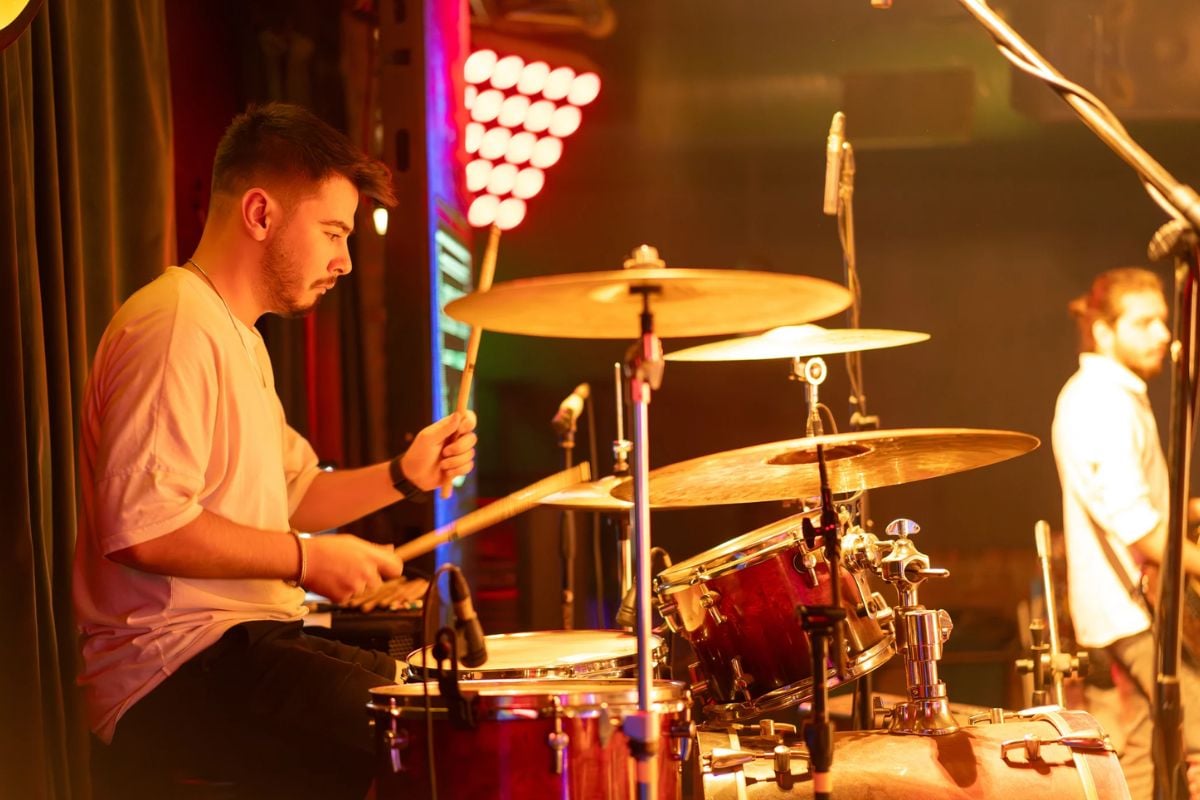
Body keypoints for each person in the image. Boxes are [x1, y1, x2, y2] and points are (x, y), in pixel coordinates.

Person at [73, 102, 477, 799]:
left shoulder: (239, 336)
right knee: (430, 734)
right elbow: (143, 527)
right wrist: (305, 558)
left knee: (432, 702)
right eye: (331, 233)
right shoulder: (177, 325)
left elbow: (295, 494)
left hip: (235, 649)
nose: (344, 262)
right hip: (170, 674)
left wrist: (406, 476)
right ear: (260, 214)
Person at [1052, 266, 1200, 799]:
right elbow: (1138, 528)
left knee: (1142, 749)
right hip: (1130, 612)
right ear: (1104, 331)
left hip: (1131, 608)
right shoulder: (1101, 402)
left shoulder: (1113, 395)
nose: (1165, 334)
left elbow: (1136, 500)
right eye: (1145, 323)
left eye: (1164, 320)